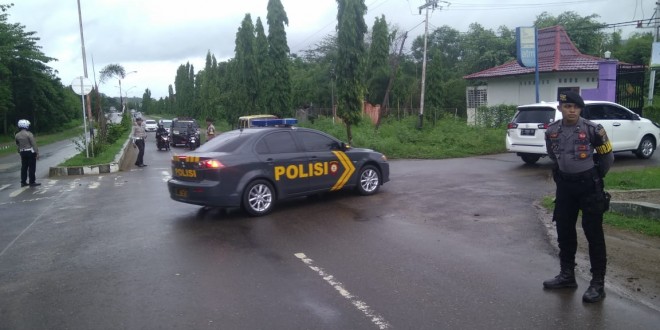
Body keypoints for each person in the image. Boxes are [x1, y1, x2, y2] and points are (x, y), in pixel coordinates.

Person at [543, 91, 614, 303]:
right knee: (564, 231)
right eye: (567, 107)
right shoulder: (552, 131)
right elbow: (552, 154)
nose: (571, 110)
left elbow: (607, 156)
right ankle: (567, 276)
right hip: (565, 187)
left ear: (581, 109)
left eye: (575, 107)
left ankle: (597, 284)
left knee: (593, 234)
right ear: (560, 109)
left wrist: (595, 176)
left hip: (589, 186)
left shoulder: (593, 129)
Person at [15, 119, 40, 187]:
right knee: (31, 167)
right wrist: (37, 152)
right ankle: (32, 181)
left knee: (24, 167)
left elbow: (18, 144)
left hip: (22, 152)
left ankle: (23, 182)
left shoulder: (17, 135)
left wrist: (19, 151)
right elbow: (33, 144)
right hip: (30, 152)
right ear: (25, 126)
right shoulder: (29, 134)